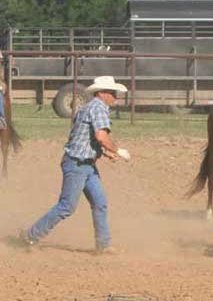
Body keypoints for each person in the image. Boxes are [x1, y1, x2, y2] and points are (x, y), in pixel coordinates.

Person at [20, 76, 131, 254]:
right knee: (67, 206)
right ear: (102, 93)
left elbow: (82, 138)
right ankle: (31, 235)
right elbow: (101, 136)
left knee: (99, 202)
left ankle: (103, 244)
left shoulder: (87, 108)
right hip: (78, 165)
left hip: (84, 164)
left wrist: (104, 153)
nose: (115, 97)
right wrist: (117, 150)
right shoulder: (99, 108)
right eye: (112, 93)